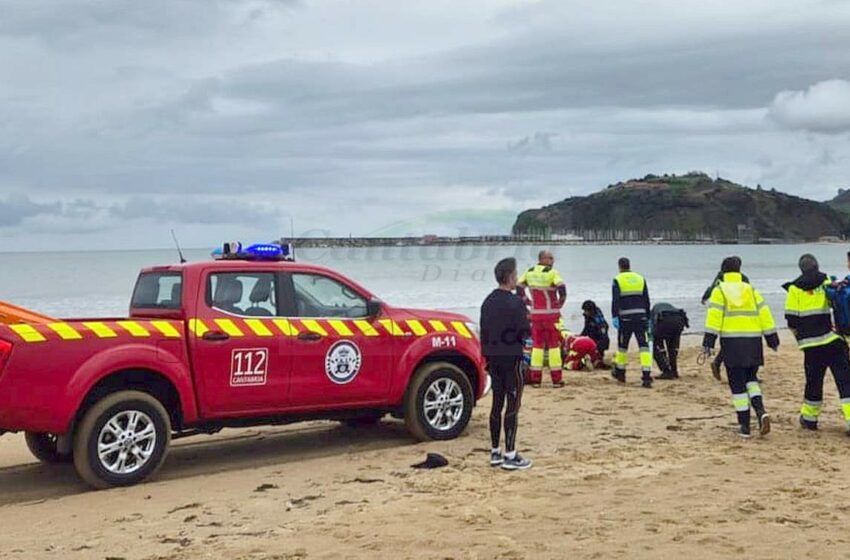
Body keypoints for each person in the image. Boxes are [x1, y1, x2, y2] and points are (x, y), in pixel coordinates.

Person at [703, 257, 778, 438]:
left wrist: (709, 341)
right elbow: (764, 313)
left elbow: (715, 316)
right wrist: (771, 337)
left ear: (723, 271)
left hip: (732, 343)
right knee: (751, 378)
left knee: (737, 386)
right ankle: (760, 412)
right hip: (753, 342)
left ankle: (744, 426)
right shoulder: (750, 289)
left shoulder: (719, 290)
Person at [784, 254, 850, 433]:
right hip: (833, 341)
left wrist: (800, 339)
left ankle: (809, 419)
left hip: (811, 346)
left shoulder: (794, 289)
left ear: (801, 269)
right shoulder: (826, 281)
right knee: (845, 382)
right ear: (817, 266)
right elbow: (835, 305)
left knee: (813, 382)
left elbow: (790, 319)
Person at [480, 257, 533, 471]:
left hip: (493, 357)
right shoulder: (516, 303)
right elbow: (525, 331)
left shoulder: (488, 302)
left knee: (496, 403)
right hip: (512, 357)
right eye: (516, 274)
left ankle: (495, 451)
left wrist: (486, 357)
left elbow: (484, 331)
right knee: (512, 405)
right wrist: (526, 357)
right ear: (510, 277)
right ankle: (510, 454)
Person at [517, 250, 566, 387]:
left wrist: (528, 301)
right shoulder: (551, 273)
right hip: (550, 314)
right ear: (543, 259)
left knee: (537, 346)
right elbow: (562, 288)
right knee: (553, 346)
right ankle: (556, 379)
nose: (552, 260)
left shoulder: (530, 272)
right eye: (550, 258)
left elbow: (519, 287)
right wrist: (560, 302)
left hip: (536, 314)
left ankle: (536, 379)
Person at [701, 257, 750, 380]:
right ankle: (720, 363)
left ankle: (718, 363)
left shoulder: (720, 276)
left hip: (727, 315)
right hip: (738, 315)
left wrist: (705, 297)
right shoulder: (743, 278)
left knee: (733, 343)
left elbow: (712, 288)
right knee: (740, 344)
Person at [611, 257, 652, 388]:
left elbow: (615, 300)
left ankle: (621, 373)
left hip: (625, 318)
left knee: (622, 347)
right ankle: (646, 376)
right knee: (644, 347)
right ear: (629, 265)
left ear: (619, 266)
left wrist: (614, 316)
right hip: (641, 317)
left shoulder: (617, 279)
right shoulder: (640, 278)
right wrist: (648, 316)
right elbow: (646, 299)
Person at [650, 302, 689, 380]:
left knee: (656, 349)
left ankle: (666, 371)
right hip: (679, 321)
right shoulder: (668, 307)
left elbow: (652, 327)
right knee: (673, 349)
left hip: (664, 321)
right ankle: (674, 371)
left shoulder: (653, 312)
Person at [580, 300, 610, 365]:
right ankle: (598, 359)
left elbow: (587, 330)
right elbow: (586, 329)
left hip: (600, 342)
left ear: (590, 311)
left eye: (585, 311)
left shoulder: (597, 322)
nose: (584, 312)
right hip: (600, 340)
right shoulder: (594, 315)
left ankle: (597, 359)